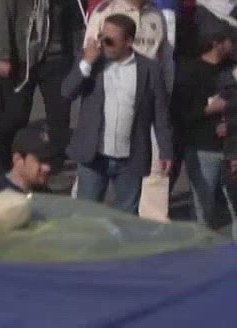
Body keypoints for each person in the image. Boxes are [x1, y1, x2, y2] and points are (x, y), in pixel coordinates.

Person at [61, 13, 174, 214]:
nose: (103, 44)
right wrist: (87, 63)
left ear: (128, 42)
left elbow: (160, 114)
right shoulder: (92, 62)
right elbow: (67, 92)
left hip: (130, 159)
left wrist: (166, 150)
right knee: (86, 214)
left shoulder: (149, 69)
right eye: (101, 37)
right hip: (94, 156)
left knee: (127, 216)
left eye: (110, 41)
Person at [0, 0, 81, 168]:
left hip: (57, 59)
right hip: (24, 58)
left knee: (59, 113)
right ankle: (4, 158)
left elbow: (73, 21)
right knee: (15, 115)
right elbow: (4, 17)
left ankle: (55, 160)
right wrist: (4, 56)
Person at [172, 22, 237, 228]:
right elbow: (182, 114)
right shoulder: (191, 72)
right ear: (216, 43)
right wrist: (210, 109)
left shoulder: (234, 70)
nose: (234, 45)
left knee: (236, 205)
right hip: (203, 147)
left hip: (233, 147)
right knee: (203, 206)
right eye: (229, 41)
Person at [0, 125, 60, 196]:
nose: (47, 168)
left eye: (50, 160)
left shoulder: (46, 194)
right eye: (40, 160)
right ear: (17, 159)